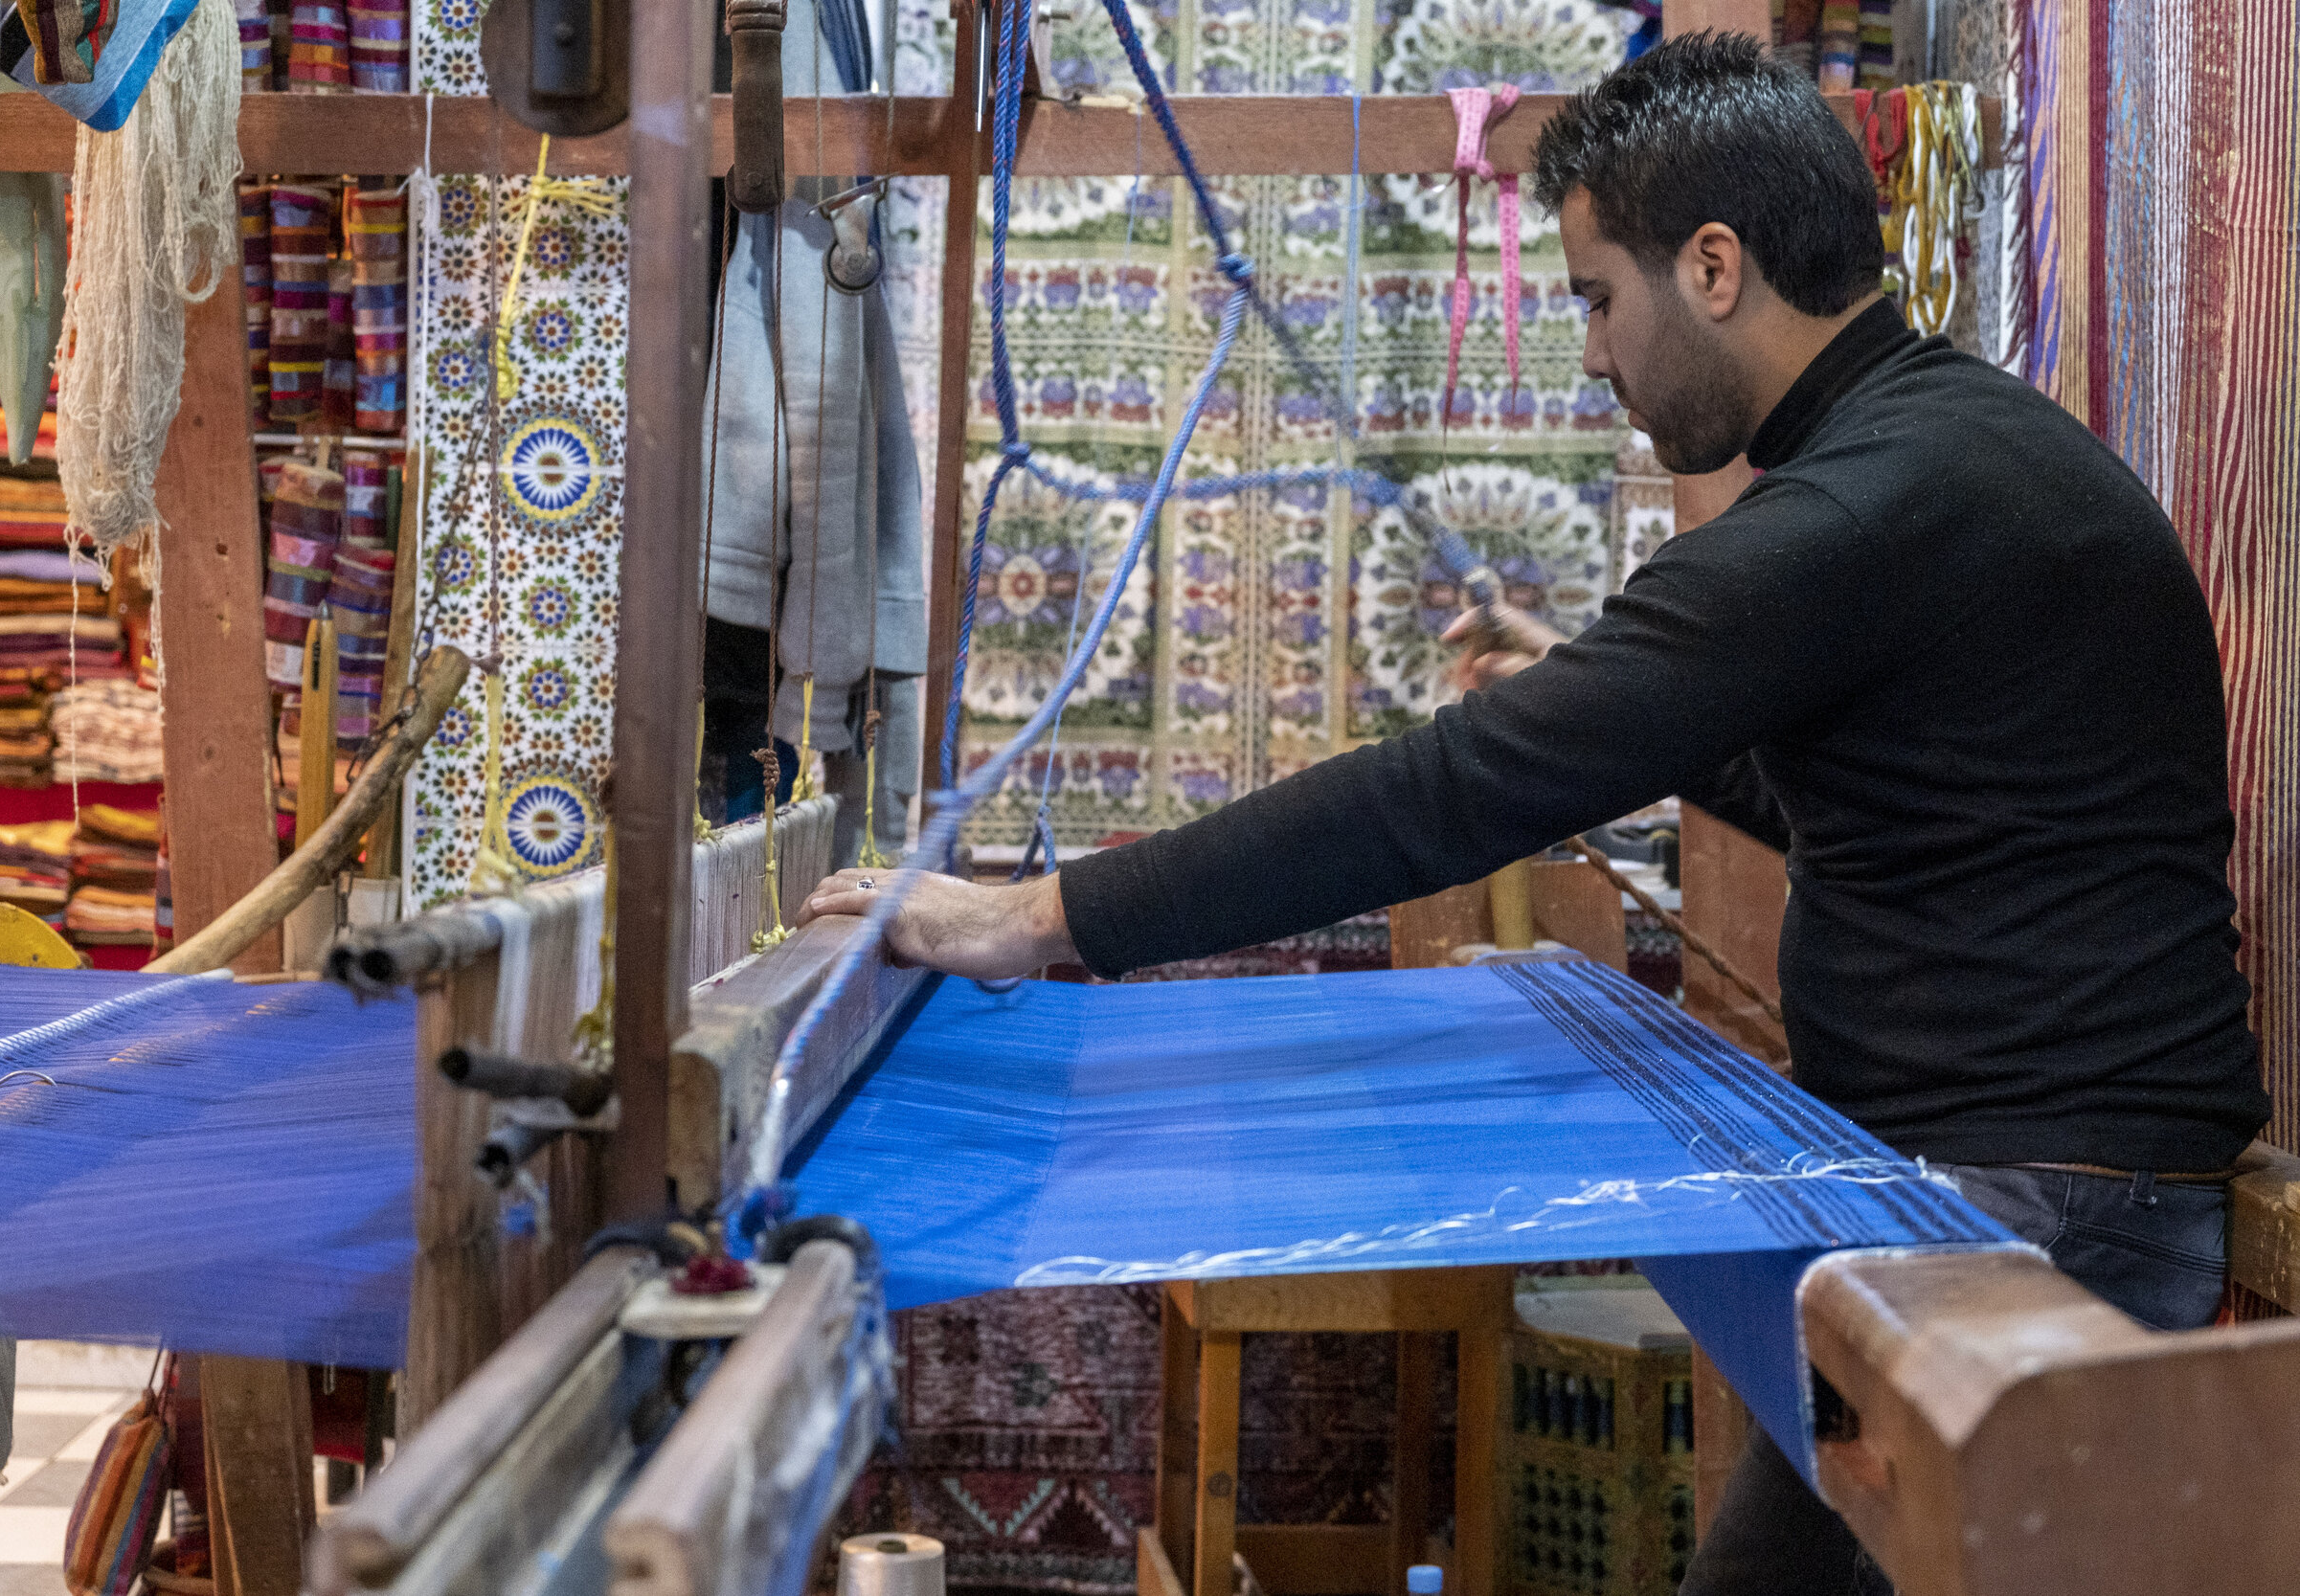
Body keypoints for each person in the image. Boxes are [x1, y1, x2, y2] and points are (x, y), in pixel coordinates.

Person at [800, 32, 2267, 1596]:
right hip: (2042, 1187)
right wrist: (1601, 691)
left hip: (2040, 1221)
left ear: (1713, 267)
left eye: (1593, 297)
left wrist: (1037, 919)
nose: (1588, 355)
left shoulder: (1850, 510)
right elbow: (1923, 798)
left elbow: (1453, 794)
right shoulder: (1942, 452)